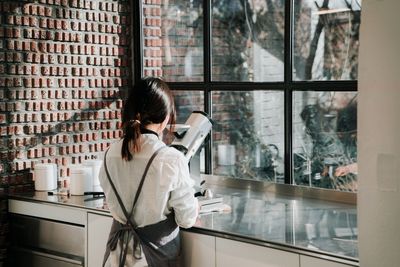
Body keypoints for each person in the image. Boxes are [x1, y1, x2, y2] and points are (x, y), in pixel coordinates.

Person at [99, 77, 199, 267]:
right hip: (156, 258)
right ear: (164, 118)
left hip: (117, 256)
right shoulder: (170, 159)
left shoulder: (109, 154)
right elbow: (186, 219)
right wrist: (196, 207)